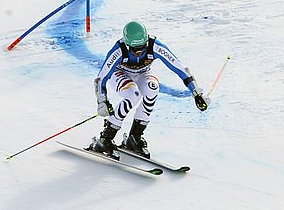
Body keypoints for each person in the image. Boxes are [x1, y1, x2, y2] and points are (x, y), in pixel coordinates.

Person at [89, 21, 209, 157]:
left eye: (142, 48)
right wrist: (102, 100)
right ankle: (106, 138)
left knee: (152, 88)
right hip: (120, 74)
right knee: (133, 95)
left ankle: (135, 137)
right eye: (134, 50)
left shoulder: (155, 45)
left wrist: (196, 93)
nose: (139, 52)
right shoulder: (118, 50)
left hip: (142, 73)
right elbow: (101, 79)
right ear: (126, 44)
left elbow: (180, 68)